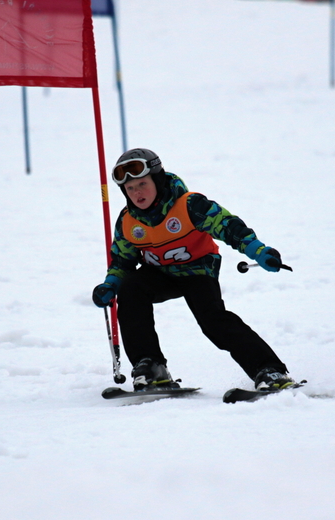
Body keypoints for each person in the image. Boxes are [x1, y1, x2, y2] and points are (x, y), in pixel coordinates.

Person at [92, 148, 293, 392]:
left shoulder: (189, 205)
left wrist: (258, 251)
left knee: (213, 321)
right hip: (159, 274)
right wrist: (111, 284)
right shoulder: (128, 221)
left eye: (143, 184)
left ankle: (269, 370)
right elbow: (122, 261)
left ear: (157, 180)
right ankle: (151, 366)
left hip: (197, 271)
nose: (137, 193)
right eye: (130, 188)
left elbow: (227, 226)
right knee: (131, 288)